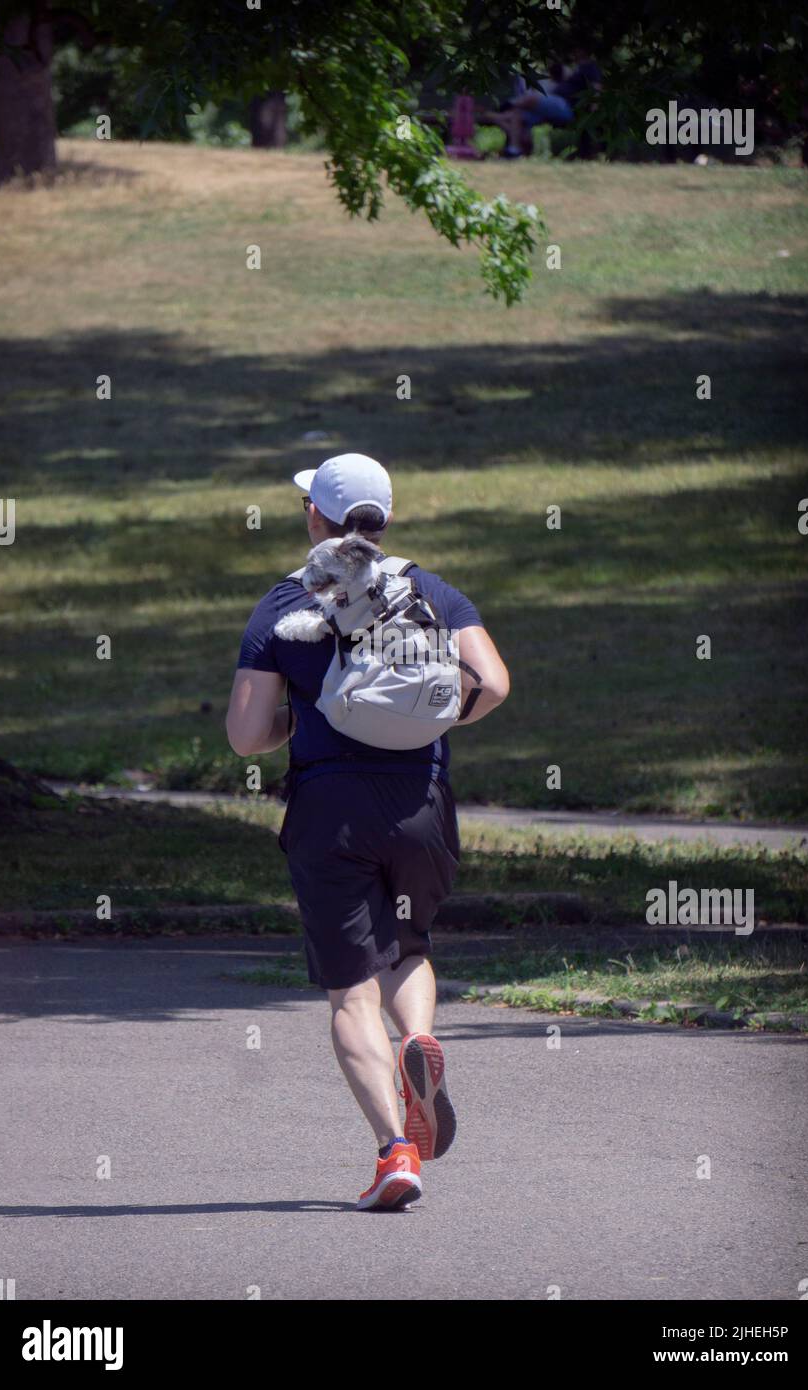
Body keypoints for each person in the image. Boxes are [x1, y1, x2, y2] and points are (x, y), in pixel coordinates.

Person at [226, 453, 510, 1210]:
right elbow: (495, 683)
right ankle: (418, 1039)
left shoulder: (282, 604)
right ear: (384, 519)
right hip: (421, 802)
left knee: (351, 994)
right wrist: (420, 721)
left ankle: (394, 1156)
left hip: (328, 811)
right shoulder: (434, 591)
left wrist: (316, 716)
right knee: (406, 946)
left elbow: (247, 734)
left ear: (314, 517)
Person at [487, 46, 602, 158]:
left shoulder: (589, 67)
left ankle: (504, 106)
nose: (575, 52)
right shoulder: (575, 68)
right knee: (516, 116)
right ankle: (514, 150)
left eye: (578, 49)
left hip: (566, 105)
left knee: (533, 98)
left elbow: (596, 88)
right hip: (553, 105)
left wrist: (594, 108)